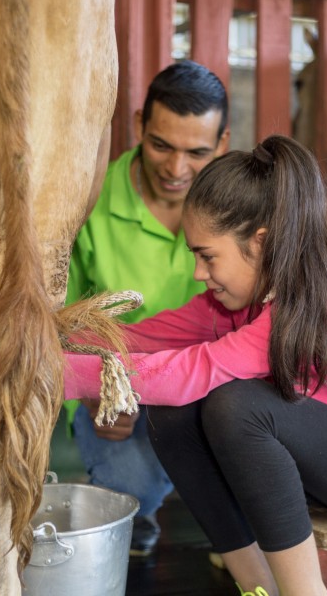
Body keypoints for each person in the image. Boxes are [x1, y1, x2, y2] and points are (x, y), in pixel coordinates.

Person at [63, 134, 327, 595]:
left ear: (261, 244)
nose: (198, 274)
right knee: (173, 414)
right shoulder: (244, 295)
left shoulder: (322, 301)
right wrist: (41, 345)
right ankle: (257, 587)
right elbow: (146, 334)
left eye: (208, 256)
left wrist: (57, 377)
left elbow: (191, 373)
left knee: (236, 405)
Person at [64, 60, 229, 556]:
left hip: (216, 388)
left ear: (222, 144)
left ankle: (236, 520)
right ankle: (139, 507)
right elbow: (62, 325)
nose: (176, 170)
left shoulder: (242, 204)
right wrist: (97, 393)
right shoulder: (86, 200)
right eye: (161, 145)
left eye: (197, 153)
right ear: (139, 125)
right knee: (131, 484)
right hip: (120, 392)